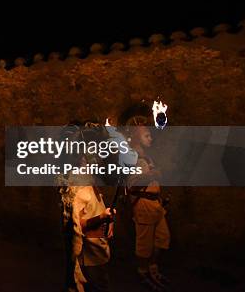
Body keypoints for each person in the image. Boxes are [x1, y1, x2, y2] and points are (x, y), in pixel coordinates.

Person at [60, 123, 115, 292]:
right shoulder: (77, 186)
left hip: (100, 248)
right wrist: (102, 218)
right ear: (81, 159)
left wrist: (109, 220)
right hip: (88, 254)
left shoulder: (90, 181)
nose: (98, 159)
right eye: (93, 155)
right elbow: (76, 227)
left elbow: (97, 207)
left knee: (102, 284)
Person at [125, 117, 170, 291]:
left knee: (162, 239)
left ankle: (153, 268)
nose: (150, 138)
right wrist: (152, 175)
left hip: (156, 205)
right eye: (146, 135)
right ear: (136, 137)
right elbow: (132, 184)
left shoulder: (147, 157)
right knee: (144, 244)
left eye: (150, 135)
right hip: (143, 204)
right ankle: (143, 272)